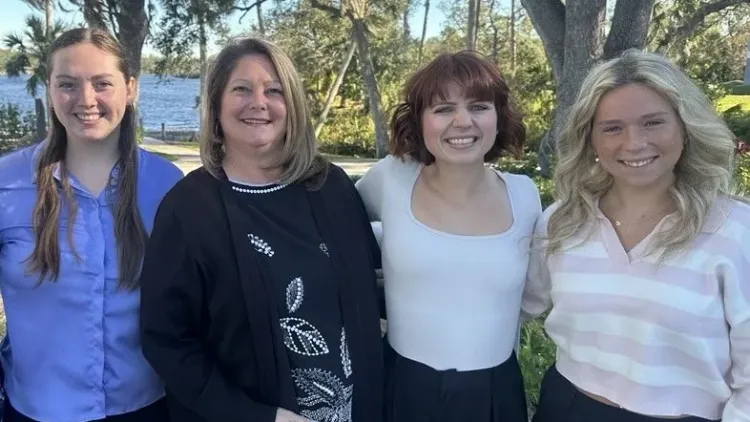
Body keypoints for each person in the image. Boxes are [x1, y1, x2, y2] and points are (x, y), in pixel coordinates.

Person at [138, 37, 384, 422]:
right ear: (216, 106)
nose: (259, 102)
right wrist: (261, 417)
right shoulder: (187, 209)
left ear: (292, 106)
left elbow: (374, 288)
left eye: (274, 90)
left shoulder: (330, 186)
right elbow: (167, 341)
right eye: (242, 89)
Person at [522, 49, 750, 422]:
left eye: (652, 123)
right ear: (590, 139)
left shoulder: (736, 231)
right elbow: (514, 303)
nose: (634, 143)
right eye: (612, 128)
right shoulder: (563, 221)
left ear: (684, 127)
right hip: (566, 407)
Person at [0, 28, 183, 422]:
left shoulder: (169, 185)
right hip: (35, 411)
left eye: (102, 83)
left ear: (130, 88)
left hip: (148, 409)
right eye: (67, 84)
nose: (85, 100)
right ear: (49, 89)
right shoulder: (6, 183)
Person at [355, 51, 537, 422]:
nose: (462, 121)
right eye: (442, 109)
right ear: (419, 120)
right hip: (402, 385)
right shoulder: (391, 178)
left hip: (494, 392)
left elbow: (538, 290)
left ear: (499, 117)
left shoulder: (525, 195)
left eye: (479, 106)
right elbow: (337, 233)